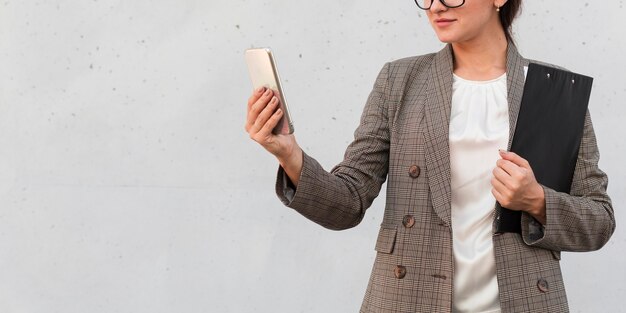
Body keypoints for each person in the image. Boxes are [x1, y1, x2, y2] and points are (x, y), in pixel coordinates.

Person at [245, 0, 616, 312]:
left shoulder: (553, 91)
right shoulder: (400, 80)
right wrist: (289, 154)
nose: (436, 6)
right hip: (409, 298)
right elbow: (348, 203)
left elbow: (599, 220)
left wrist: (537, 201)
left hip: (522, 300)